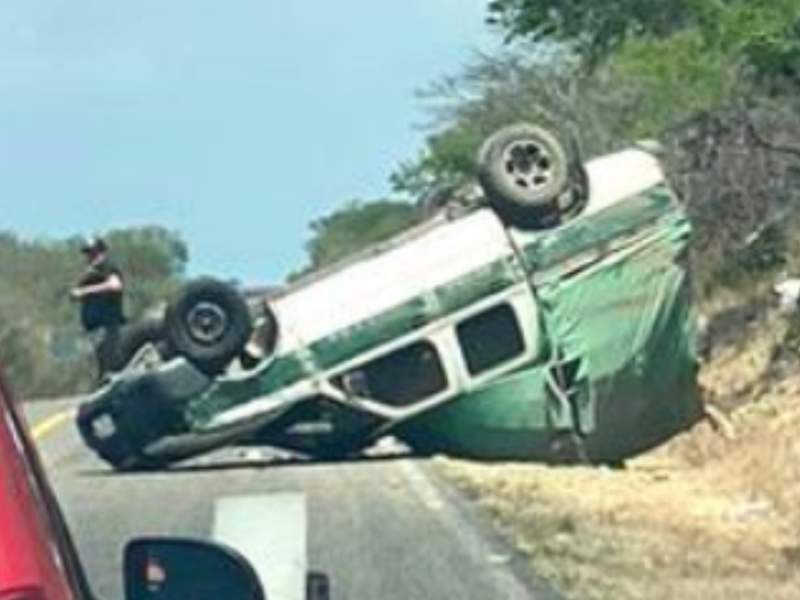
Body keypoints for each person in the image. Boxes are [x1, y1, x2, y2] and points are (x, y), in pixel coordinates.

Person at [70, 237, 127, 377]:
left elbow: (115, 285)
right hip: (94, 330)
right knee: (98, 366)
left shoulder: (107, 266)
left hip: (108, 327)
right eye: (88, 254)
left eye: (93, 253)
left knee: (109, 363)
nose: (90, 257)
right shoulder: (90, 274)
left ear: (102, 252)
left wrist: (84, 291)